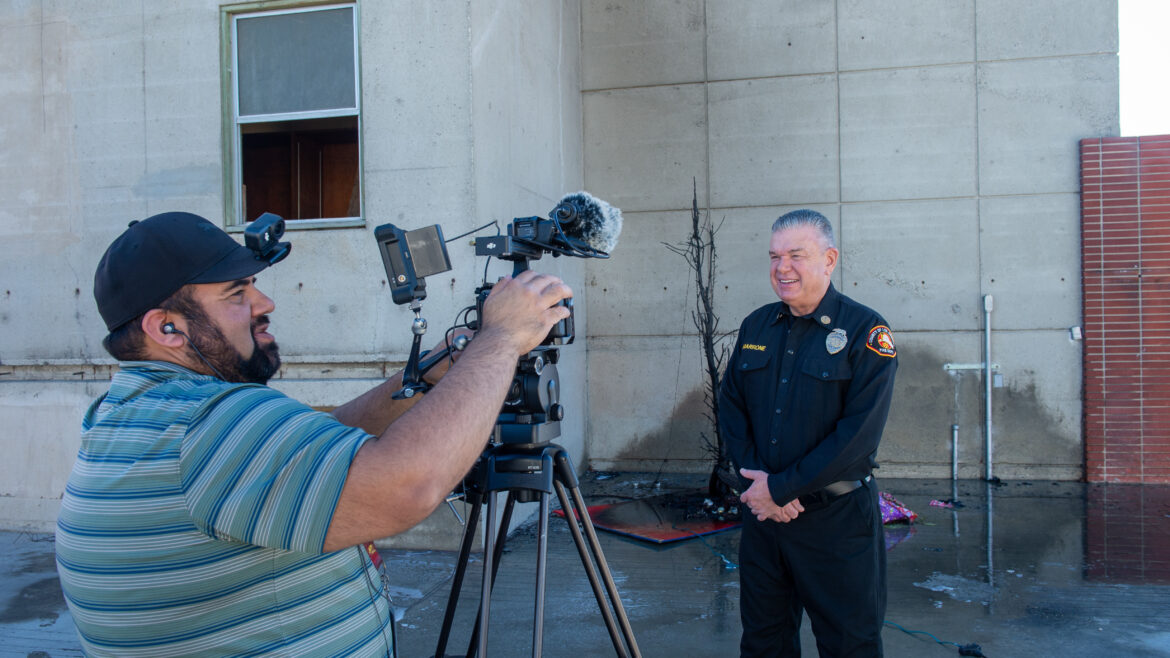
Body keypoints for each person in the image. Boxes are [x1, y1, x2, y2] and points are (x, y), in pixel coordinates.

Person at [55, 211, 573, 657]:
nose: (264, 303)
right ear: (166, 328)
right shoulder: (206, 422)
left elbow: (316, 445)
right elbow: (409, 485)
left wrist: (430, 373)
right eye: (237, 292)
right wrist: (501, 339)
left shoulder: (140, 413)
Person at [718, 209, 898, 657]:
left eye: (796, 255)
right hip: (765, 520)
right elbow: (732, 407)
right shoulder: (756, 326)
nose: (783, 268)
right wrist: (760, 488)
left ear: (829, 259)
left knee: (849, 646)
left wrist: (781, 489)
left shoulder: (865, 330)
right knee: (763, 643)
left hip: (836, 523)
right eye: (775, 256)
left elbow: (858, 436)